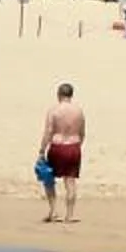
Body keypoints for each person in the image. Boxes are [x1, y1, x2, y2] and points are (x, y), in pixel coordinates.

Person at [38, 82, 87, 224]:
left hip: (58, 146)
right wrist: (77, 146)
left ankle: (53, 211)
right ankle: (70, 215)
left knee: (49, 179)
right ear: (71, 95)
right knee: (70, 181)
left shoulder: (54, 110)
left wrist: (42, 150)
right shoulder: (78, 111)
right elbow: (82, 132)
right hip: (73, 146)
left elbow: (48, 131)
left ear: (58, 94)